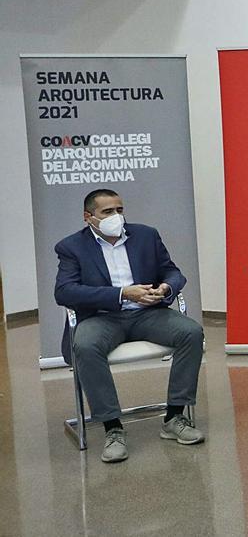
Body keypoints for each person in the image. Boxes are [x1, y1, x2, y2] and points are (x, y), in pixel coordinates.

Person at [54, 188, 204, 464]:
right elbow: (64, 292)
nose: (116, 217)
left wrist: (166, 287)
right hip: (101, 317)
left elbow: (172, 271)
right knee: (85, 344)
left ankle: (175, 416)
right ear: (88, 217)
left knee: (191, 332)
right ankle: (113, 428)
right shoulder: (71, 247)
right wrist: (122, 294)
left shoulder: (146, 235)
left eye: (119, 210)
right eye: (107, 212)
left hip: (147, 313)